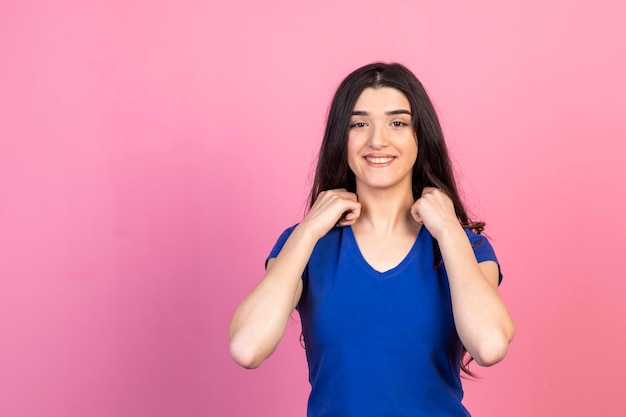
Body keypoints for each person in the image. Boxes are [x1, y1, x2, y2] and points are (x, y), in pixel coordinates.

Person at [229, 62, 515, 416]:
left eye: (397, 123)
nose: (377, 139)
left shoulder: (465, 246)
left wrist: (448, 229)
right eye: (359, 123)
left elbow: (489, 346)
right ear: (341, 138)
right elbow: (246, 348)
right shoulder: (304, 246)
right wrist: (309, 229)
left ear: (420, 137)